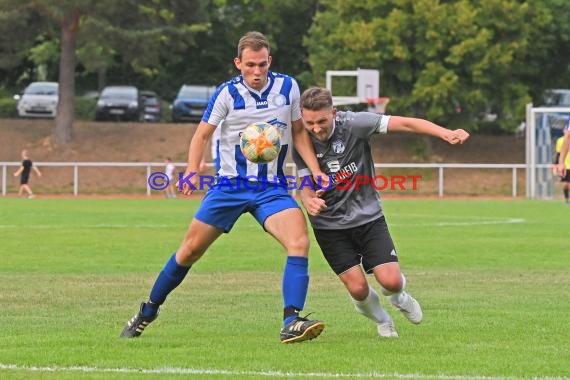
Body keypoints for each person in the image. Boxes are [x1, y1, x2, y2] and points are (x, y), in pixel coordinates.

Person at [121, 31, 329, 344]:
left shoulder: (288, 87)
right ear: (238, 64)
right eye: (250, 65)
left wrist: (315, 171)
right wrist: (192, 170)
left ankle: (291, 321)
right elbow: (201, 135)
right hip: (229, 187)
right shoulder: (227, 94)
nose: (257, 72)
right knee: (189, 251)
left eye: (262, 64)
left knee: (299, 242)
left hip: (272, 187)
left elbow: (299, 132)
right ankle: (148, 310)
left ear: (269, 61)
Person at [293, 87, 469, 338]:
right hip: (329, 225)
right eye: (310, 123)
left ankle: (400, 298)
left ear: (333, 112)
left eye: (322, 121)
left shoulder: (355, 124)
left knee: (391, 282)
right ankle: (383, 320)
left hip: (368, 216)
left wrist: (446, 133)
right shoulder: (301, 139)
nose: (317, 128)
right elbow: (305, 184)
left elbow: (405, 123)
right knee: (357, 289)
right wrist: (309, 201)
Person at [556, 117, 570, 197]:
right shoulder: (560, 140)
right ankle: (566, 198)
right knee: (566, 184)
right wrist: (560, 163)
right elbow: (568, 137)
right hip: (567, 166)